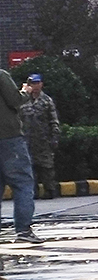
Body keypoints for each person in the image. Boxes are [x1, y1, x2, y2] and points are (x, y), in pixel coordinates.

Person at [0, 67, 39, 243]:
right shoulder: (1, 75)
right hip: (9, 138)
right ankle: (23, 230)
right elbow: (15, 100)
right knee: (22, 183)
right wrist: (25, 91)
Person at [20, 74, 59, 200]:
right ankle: (33, 191)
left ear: (41, 84)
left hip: (43, 139)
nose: (35, 86)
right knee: (29, 167)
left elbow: (53, 120)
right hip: (27, 140)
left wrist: (54, 137)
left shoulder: (46, 101)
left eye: (37, 83)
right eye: (32, 83)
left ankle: (50, 190)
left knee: (46, 166)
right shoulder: (23, 100)